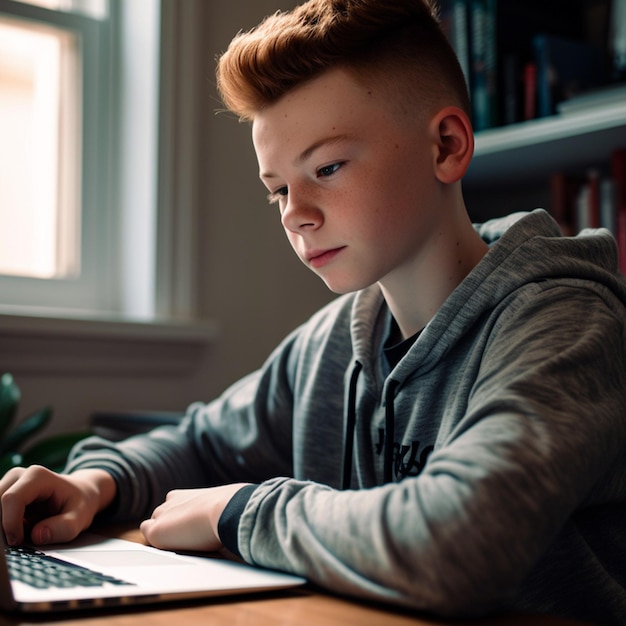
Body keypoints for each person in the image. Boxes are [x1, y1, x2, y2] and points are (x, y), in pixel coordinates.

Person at [1, 0, 626, 622]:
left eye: (326, 167)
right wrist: (95, 483)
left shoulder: (565, 321)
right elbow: (204, 441)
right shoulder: (339, 337)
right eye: (278, 189)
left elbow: (464, 539)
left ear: (446, 145)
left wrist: (242, 512)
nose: (296, 213)